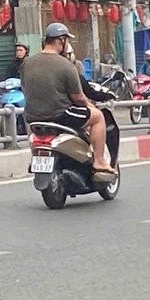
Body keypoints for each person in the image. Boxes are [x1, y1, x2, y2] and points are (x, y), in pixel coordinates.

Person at [22, 22, 113, 181]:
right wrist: (90, 105)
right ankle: (99, 161)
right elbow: (78, 97)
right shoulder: (65, 65)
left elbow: (25, 88)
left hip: (32, 116)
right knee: (98, 117)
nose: (68, 44)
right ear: (61, 40)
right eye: (67, 40)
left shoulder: (27, 63)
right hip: (60, 115)